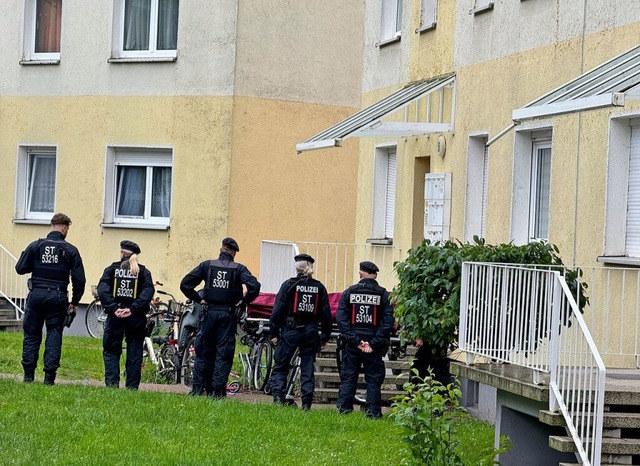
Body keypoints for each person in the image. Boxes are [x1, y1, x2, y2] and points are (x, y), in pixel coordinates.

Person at [180, 237, 260, 399]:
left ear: (221, 250)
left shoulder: (207, 265)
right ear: (232, 253)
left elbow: (185, 284)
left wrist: (198, 298)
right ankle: (217, 391)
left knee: (203, 352)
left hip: (208, 313)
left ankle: (198, 389)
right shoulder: (239, 269)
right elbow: (254, 286)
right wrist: (243, 302)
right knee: (223, 353)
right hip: (227, 316)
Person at [15, 213, 86, 385]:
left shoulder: (36, 246)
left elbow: (20, 268)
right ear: (64, 227)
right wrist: (75, 303)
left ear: (52, 225)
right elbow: (79, 280)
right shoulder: (70, 250)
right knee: (54, 334)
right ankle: (49, 378)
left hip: (36, 294)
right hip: (57, 296)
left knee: (31, 335)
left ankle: (28, 376)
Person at [269, 253, 333, 410]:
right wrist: (325, 336)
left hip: (290, 330)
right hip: (311, 331)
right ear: (310, 266)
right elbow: (326, 314)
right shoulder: (319, 287)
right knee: (307, 367)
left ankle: (278, 398)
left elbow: (277, 311)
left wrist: (273, 333)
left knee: (281, 365)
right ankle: (306, 403)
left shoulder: (288, 285)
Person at [336, 261, 394, 419]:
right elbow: (388, 322)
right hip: (373, 345)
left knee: (349, 377)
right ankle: (373, 412)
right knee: (373, 380)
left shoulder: (349, 292)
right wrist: (373, 343)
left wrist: (355, 341)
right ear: (375, 275)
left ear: (360, 274)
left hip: (352, 344)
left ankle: (344, 410)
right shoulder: (383, 294)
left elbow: (341, 319)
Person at [97, 240, 155, 389]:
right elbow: (148, 293)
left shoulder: (111, 270)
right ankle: (132, 387)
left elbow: (102, 290)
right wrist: (133, 309)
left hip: (115, 317)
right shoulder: (143, 272)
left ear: (122, 253)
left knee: (111, 350)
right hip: (135, 318)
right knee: (135, 352)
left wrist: (114, 308)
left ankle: (111, 385)